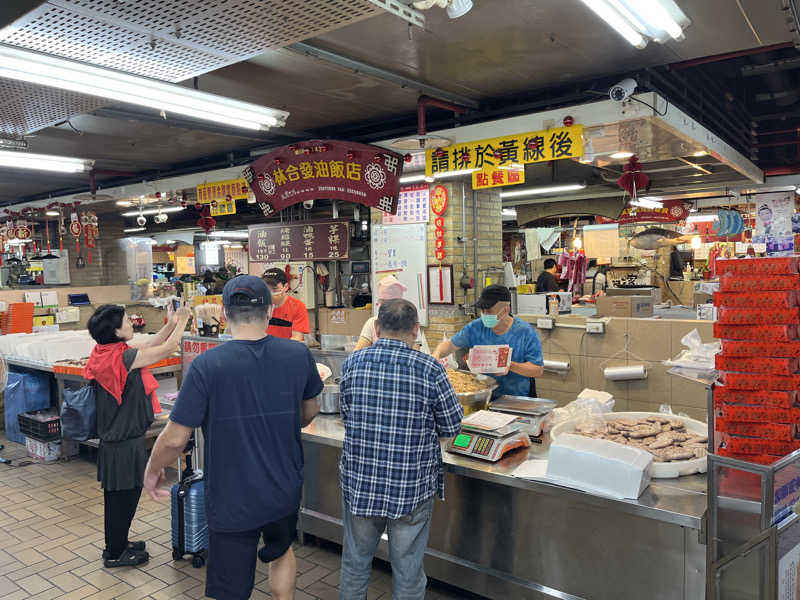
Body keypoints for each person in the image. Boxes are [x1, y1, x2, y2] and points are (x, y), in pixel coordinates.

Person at [143, 275, 323, 600]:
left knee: (231, 585)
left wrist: (153, 468)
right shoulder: (298, 355)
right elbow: (310, 411)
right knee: (281, 551)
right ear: (270, 311)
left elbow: (174, 439)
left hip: (232, 494)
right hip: (284, 485)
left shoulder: (207, 365)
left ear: (224, 314)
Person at [338, 299, 463, 600]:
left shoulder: (352, 363)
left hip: (361, 483)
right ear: (416, 330)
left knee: (355, 563)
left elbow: (346, 414)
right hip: (410, 488)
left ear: (377, 327)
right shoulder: (430, 369)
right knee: (408, 571)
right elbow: (451, 426)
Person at [85, 302, 191, 568]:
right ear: (116, 331)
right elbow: (166, 349)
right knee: (122, 499)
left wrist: (170, 324)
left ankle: (119, 543)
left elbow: (151, 344)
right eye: (126, 321)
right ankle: (114, 553)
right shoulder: (121, 358)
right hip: (121, 443)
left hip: (121, 440)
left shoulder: (107, 351)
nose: (131, 323)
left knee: (124, 496)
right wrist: (183, 322)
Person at [432, 285, 544, 399]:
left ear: (506, 309)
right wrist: (436, 354)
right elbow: (450, 345)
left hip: (515, 400)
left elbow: (537, 370)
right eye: (483, 310)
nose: (485, 315)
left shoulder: (525, 332)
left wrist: (509, 365)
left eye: (489, 311)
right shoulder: (475, 327)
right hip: (483, 396)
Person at [353, 275, 425, 352]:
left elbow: (415, 351)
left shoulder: (410, 322)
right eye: (382, 302)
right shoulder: (371, 323)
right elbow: (358, 350)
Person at [263, 267, 310, 342]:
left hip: (288, 348)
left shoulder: (297, 307)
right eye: (266, 289)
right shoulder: (259, 305)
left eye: (275, 289)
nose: (270, 293)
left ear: (286, 287)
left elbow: (297, 338)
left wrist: (276, 347)